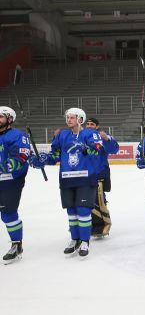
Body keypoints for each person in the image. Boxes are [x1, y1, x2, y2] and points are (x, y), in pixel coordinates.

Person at [29, 108, 103, 258]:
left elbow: (97, 151)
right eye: (67, 117)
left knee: (83, 210)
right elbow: (55, 155)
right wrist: (43, 159)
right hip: (67, 178)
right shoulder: (62, 135)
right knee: (71, 211)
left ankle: (84, 241)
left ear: (80, 119)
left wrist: (84, 147)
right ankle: (75, 239)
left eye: (72, 117)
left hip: (85, 178)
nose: (68, 119)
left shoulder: (90, 133)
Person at [0, 106, 30, 264]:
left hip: (10, 181)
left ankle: (16, 245)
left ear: (9, 119)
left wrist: (4, 166)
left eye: (0, 117)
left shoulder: (17, 135)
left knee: (8, 214)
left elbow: (20, 158)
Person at [85, 118, 119, 237]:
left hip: (100, 173)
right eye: (87, 124)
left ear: (97, 126)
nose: (89, 126)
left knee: (99, 199)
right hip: (85, 174)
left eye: (92, 124)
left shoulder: (103, 137)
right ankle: (85, 224)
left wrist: (106, 139)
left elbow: (114, 149)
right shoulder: (81, 137)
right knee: (84, 199)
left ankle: (101, 226)